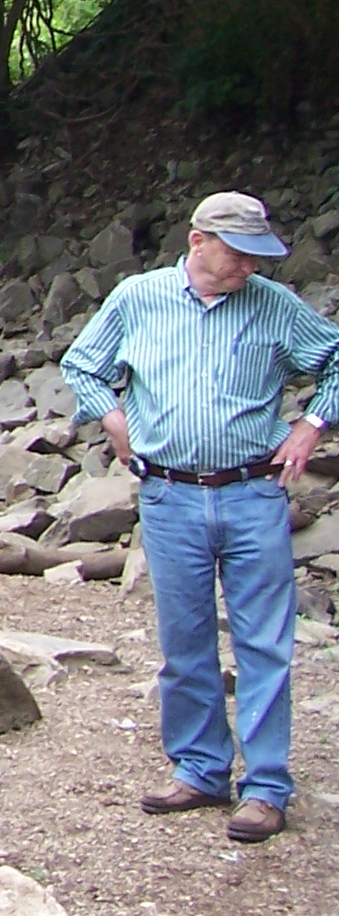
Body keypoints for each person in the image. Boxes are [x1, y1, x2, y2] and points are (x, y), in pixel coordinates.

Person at [60, 191, 339, 843]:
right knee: (184, 642)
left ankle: (265, 788)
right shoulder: (139, 298)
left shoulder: (274, 304)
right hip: (169, 495)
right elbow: (82, 365)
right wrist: (112, 417)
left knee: (264, 643)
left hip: (253, 492)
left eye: (257, 256)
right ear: (197, 242)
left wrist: (312, 424)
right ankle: (201, 769)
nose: (249, 267)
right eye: (238, 254)